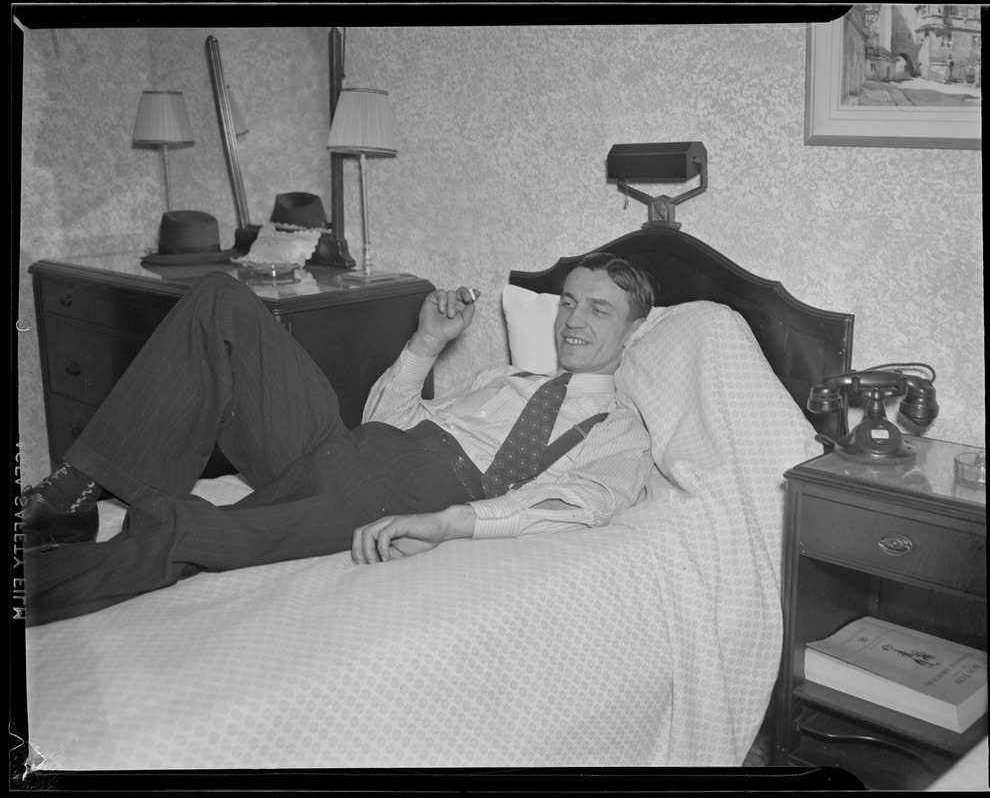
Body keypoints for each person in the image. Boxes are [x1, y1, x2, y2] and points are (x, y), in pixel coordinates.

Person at [20, 253, 655, 626]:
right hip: (350, 446)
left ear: (634, 331)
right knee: (220, 298)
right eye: (570, 302)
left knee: (194, 534)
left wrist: (449, 523)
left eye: (598, 310)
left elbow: (576, 504)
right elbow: (387, 417)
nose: (574, 320)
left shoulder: (620, 430)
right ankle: (73, 494)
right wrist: (427, 341)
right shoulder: (503, 376)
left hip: (400, 492)